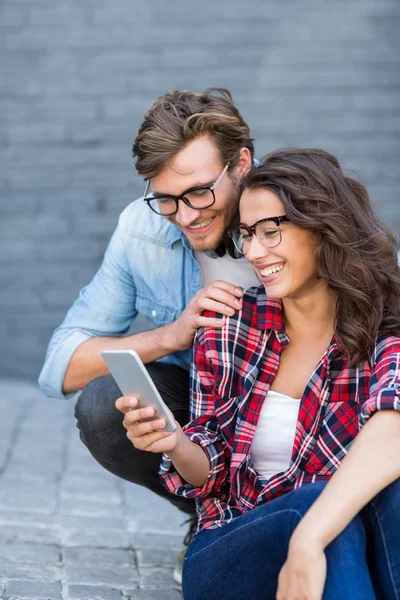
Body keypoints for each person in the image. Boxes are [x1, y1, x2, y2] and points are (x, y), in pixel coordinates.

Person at [118, 148, 400, 599]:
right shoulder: (231, 326)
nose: (252, 251)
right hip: (231, 549)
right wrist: (174, 440)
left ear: (324, 229)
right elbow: (209, 474)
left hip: (333, 545)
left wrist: (310, 540)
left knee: (381, 496)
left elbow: (395, 424)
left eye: (270, 231)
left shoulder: (381, 330)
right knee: (313, 508)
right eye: (247, 234)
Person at [38, 88, 261, 582]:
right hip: (203, 413)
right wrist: (171, 335)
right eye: (165, 198)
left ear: (241, 163)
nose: (185, 216)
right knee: (104, 404)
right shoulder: (142, 230)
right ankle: (209, 515)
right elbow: (61, 365)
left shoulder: (299, 207)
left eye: (200, 192)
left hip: (297, 406)